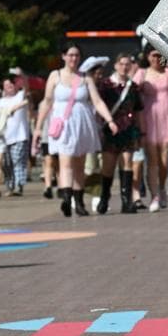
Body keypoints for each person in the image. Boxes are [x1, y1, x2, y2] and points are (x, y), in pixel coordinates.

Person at [33, 44, 111, 217]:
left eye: (76, 55)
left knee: (79, 165)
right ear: (63, 56)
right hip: (62, 125)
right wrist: (38, 127)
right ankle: (67, 200)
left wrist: (109, 120)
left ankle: (79, 201)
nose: (73, 58)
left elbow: (97, 101)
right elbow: (47, 101)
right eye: (70, 55)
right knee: (65, 162)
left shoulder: (85, 77)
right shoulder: (55, 75)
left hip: (82, 124)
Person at [96, 53, 143, 214]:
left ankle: (126, 201)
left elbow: (138, 110)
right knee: (108, 167)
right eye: (121, 64)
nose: (124, 67)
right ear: (116, 65)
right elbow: (98, 106)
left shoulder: (133, 86)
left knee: (127, 163)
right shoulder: (106, 85)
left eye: (127, 64)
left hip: (128, 129)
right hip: (111, 129)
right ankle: (104, 197)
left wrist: (141, 132)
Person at [135, 50, 168, 212]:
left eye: (159, 55)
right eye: (153, 55)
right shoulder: (142, 73)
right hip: (149, 120)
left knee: (164, 160)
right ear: (147, 57)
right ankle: (154, 196)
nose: (156, 58)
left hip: (167, 118)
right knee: (152, 160)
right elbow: (131, 92)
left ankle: (162, 187)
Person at [0, 74, 30, 197]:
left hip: (20, 136)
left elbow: (27, 88)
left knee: (18, 161)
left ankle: (18, 186)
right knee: (7, 164)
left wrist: (22, 75)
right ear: (3, 87)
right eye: (6, 85)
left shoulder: (20, 96)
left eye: (11, 84)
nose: (9, 86)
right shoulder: (0, 102)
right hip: (4, 137)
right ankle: (10, 186)